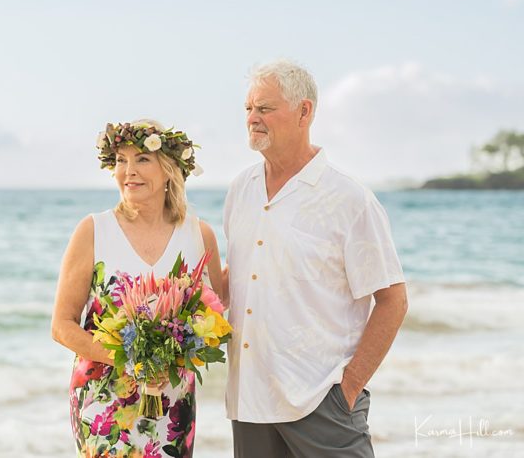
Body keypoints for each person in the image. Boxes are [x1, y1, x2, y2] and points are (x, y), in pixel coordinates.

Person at [224, 60, 407, 458]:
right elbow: (243, 278)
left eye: (265, 109)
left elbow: (393, 300)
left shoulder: (349, 199)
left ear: (304, 112)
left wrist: (350, 387)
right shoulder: (241, 189)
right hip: (249, 400)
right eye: (248, 109)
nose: (252, 118)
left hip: (321, 401)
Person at [52, 120, 227, 457]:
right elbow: (62, 326)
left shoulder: (198, 235)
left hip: (173, 403)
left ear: (168, 170)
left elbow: (214, 316)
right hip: (104, 403)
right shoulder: (93, 230)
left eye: (142, 160)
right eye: (120, 160)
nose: (128, 171)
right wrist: (130, 361)